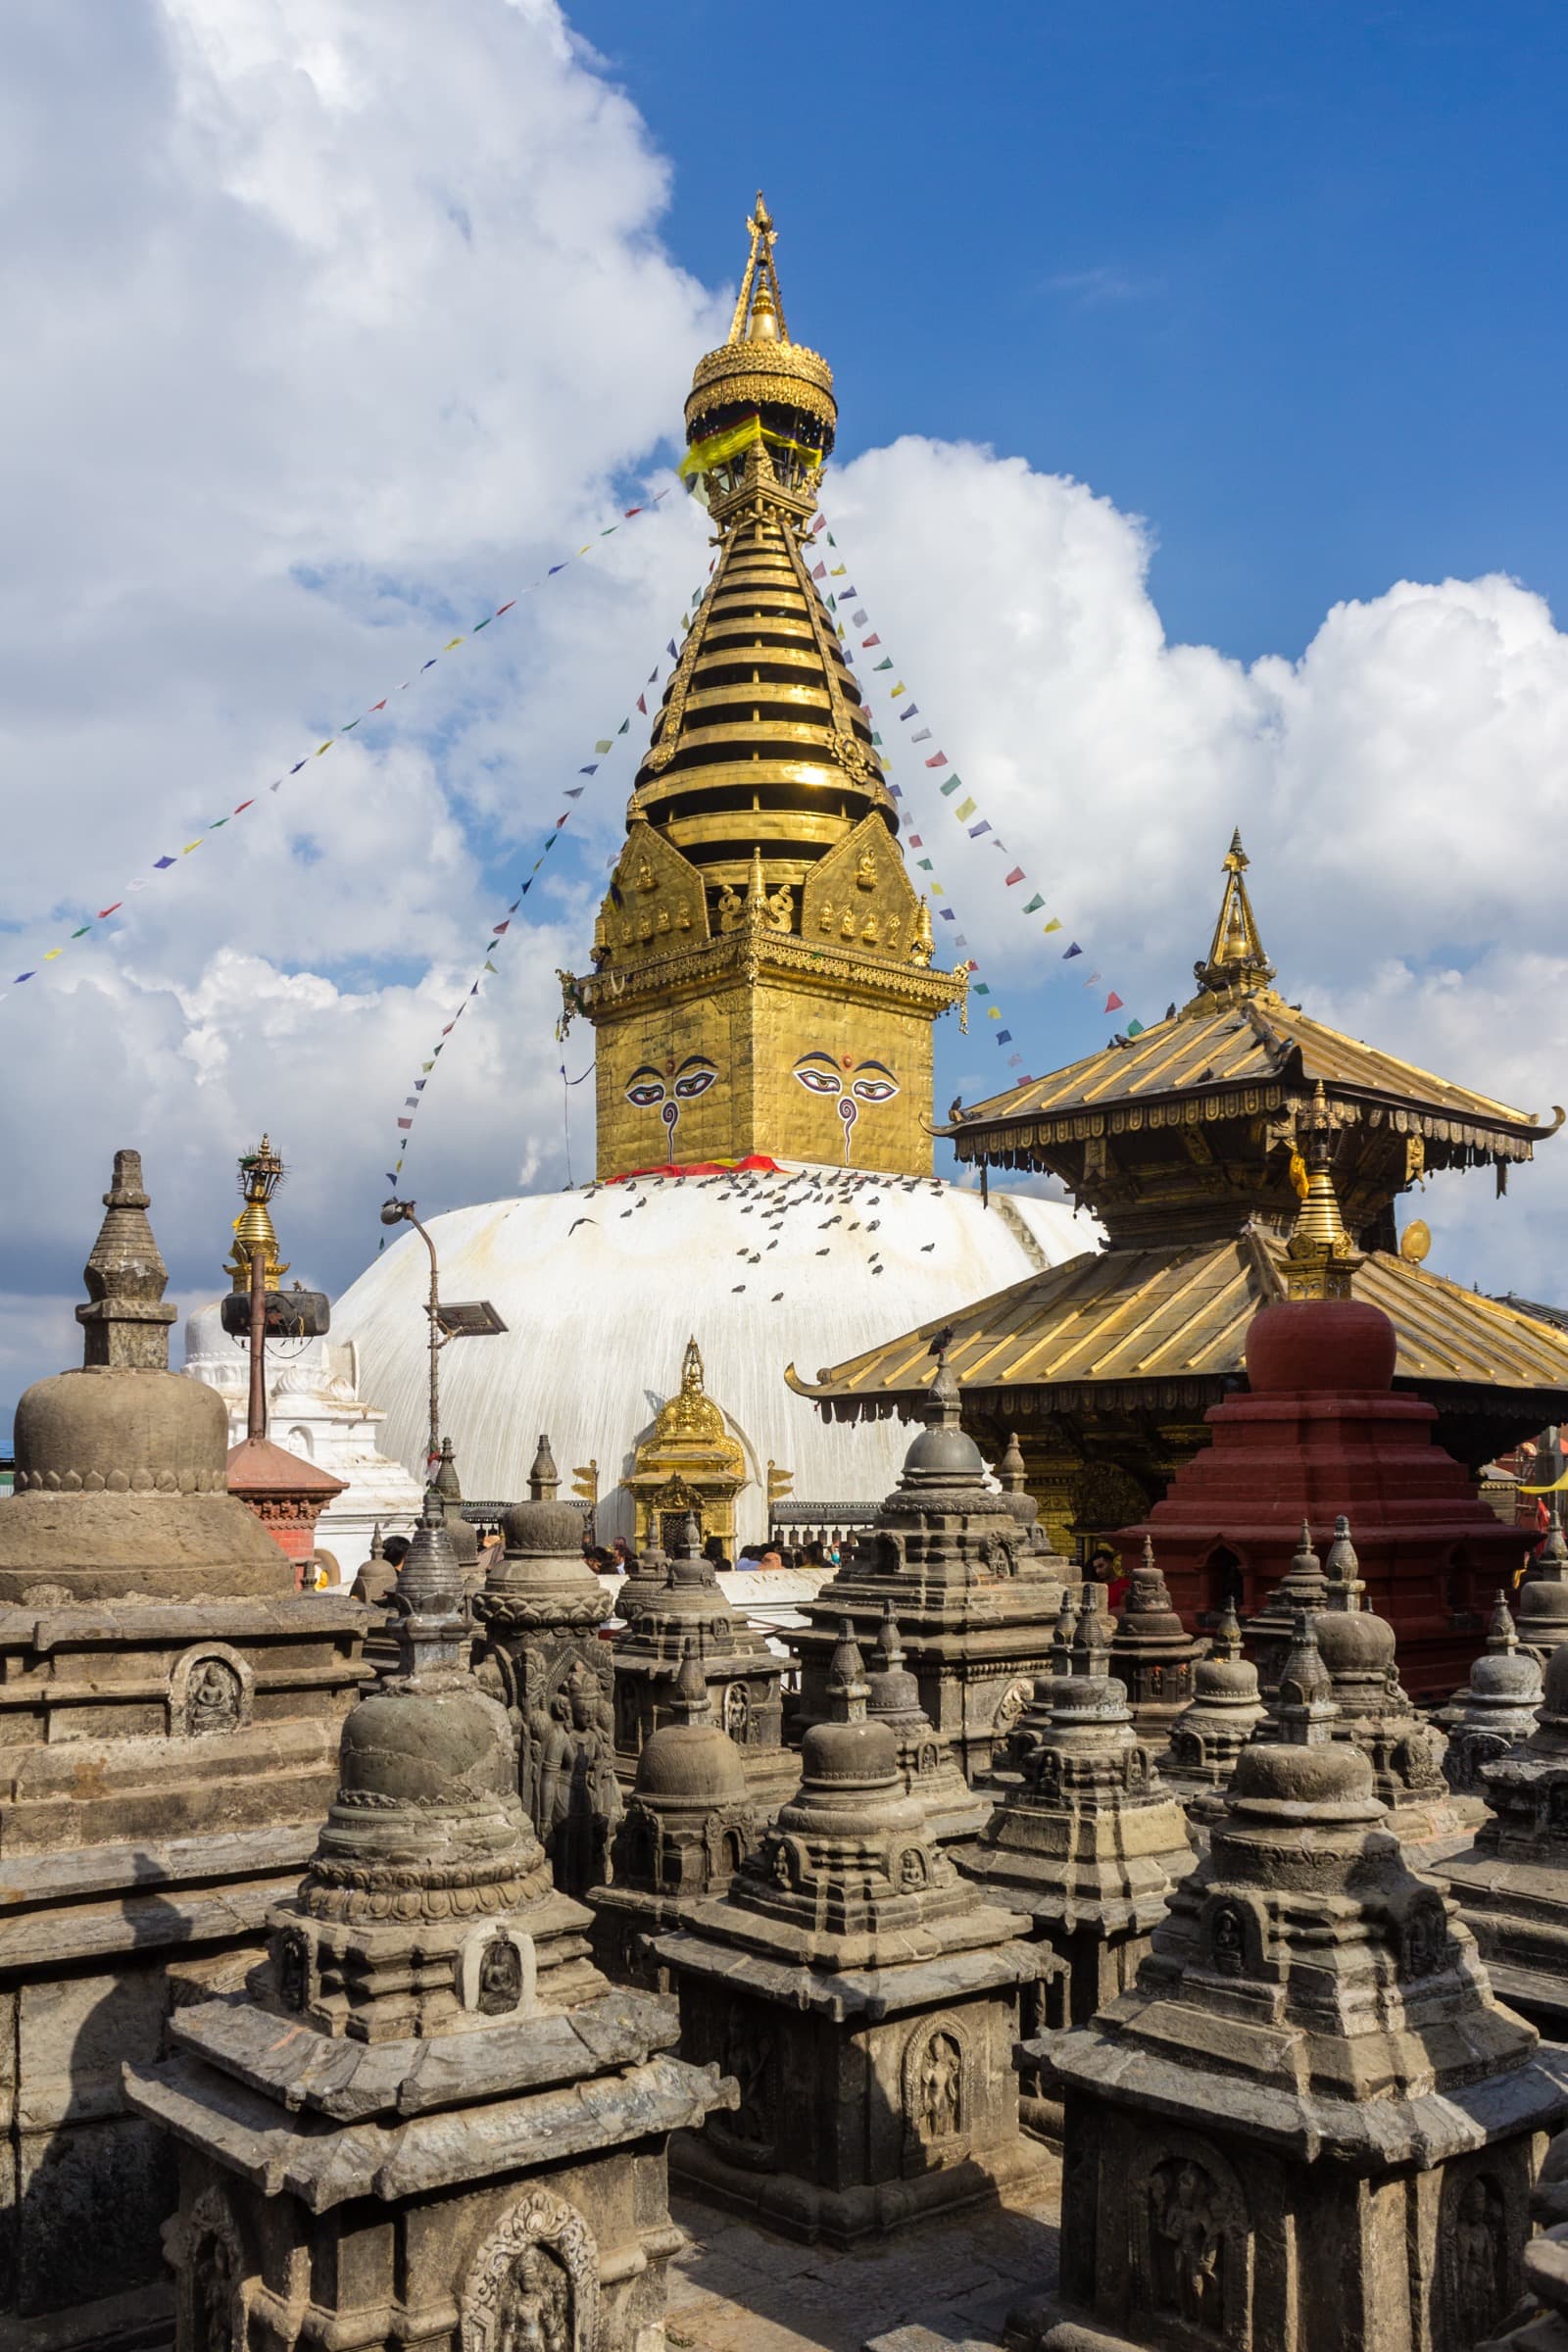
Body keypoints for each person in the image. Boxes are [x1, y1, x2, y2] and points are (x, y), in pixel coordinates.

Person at [1090, 1543, 1130, 1614]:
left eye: (1101, 1566)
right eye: (1095, 1568)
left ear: (1111, 1563)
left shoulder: (1126, 1584)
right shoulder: (1097, 1588)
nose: (1098, 1571)